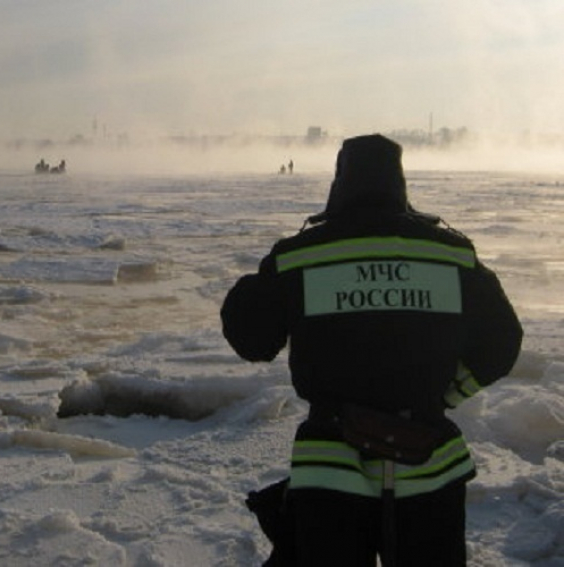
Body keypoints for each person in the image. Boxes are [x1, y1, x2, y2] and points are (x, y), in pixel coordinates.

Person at [221, 134, 522, 566]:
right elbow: (502, 341)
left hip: (329, 470)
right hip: (431, 466)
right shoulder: (451, 255)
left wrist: (256, 288)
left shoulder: (299, 258)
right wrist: (443, 397)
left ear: (340, 184)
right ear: (400, 184)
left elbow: (251, 339)